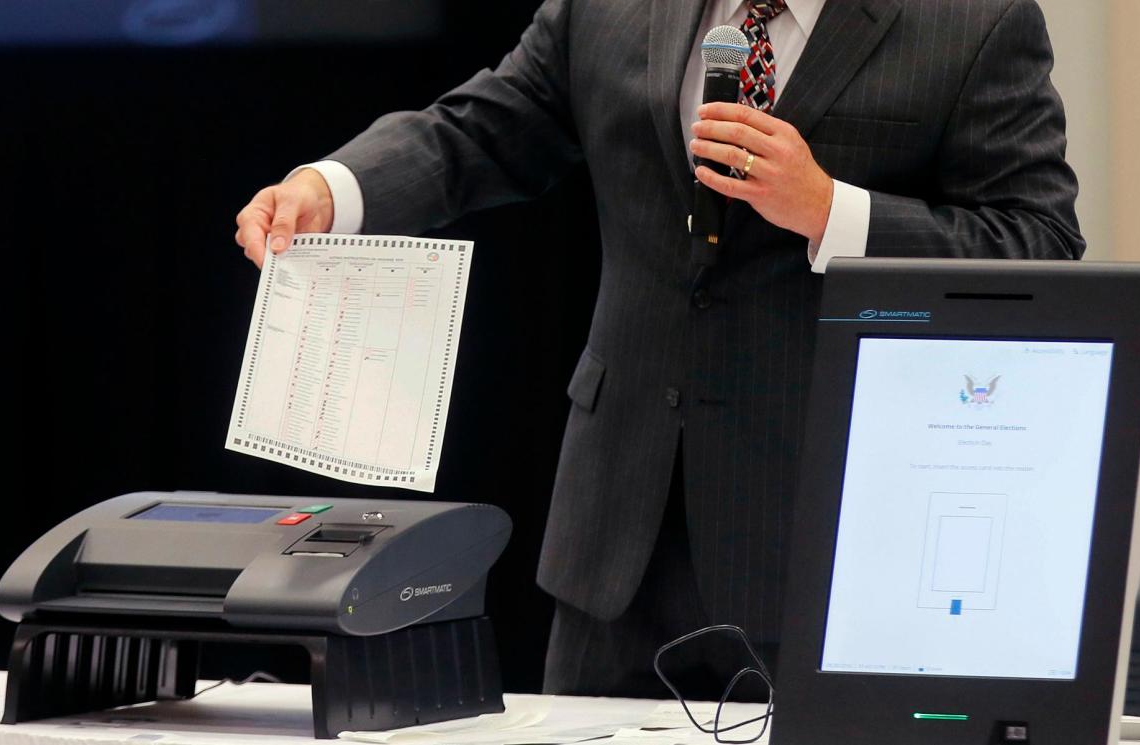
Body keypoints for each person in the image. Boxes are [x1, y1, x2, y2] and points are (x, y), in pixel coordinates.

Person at [234, 0, 1084, 699]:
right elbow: (479, 131)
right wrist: (332, 187)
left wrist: (833, 211)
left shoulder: (973, 20)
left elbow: (1040, 241)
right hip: (617, 541)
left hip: (829, 538)